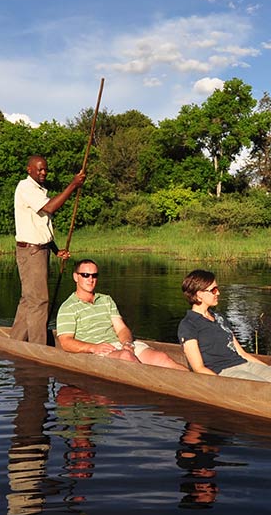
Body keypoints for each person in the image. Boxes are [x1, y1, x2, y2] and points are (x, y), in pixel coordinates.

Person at [177, 269, 271, 387]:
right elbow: (198, 368)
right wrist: (220, 385)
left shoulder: (219, 318)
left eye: (217, 289)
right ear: (199, 294)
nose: (218, 293)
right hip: (223, 372)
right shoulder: (189, 325)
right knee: (262, 386)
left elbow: (242, 354)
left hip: (244, 365)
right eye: (213, 290)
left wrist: (269, 368)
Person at [55, 260, 187, 369]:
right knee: (126, 358)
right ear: (75, 277)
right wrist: (93, 347)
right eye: (85, 275)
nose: (90, 279)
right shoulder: (68, 307)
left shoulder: (106, 300)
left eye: (94, 275)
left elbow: (122, 328)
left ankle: (201, 381)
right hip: (98, 351)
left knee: (161, 358)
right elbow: (66, 342)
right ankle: (155, 384)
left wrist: (127, 343)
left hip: (121, 345)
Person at [11, 154, 85, 344]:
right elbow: (50, 208)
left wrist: (55, 249)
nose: (43, 172)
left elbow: (41, 224)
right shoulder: (26, 187)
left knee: (29, 299)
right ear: (29, 170)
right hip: (31, 252)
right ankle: (38, 347)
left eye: (45, 169)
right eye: (39, 169)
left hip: (40, 250)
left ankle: (16, 341)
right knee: (39, 301)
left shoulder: (39, 189)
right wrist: (73, 185)